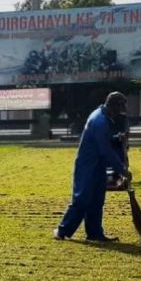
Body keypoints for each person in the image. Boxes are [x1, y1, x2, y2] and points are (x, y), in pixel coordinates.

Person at [54, 91, 131, 242]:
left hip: (98, 166)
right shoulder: (99, 121)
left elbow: (104, 141)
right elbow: (105, 150)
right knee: (82, 199)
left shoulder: (103, 116)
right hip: (87, 166)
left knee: (97, 200)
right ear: (113, 106)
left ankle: (95, 233)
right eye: (120, 108)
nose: (120, 113)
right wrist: (122, 169)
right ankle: (62, 231)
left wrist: (116, 138)